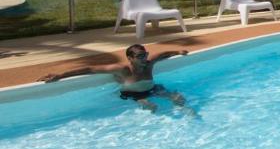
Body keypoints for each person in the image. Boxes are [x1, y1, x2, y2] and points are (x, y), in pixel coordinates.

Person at [40, 44, 190, 113]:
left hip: (152, 89)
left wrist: (178, 51)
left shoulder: (149, 63)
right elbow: (89, 69)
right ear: (130, 58)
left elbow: (164, 54)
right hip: (132, 94)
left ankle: (190, 117)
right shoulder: (122, 70)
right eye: (140, 56)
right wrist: (60, 75)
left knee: (178, 98)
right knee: (152, 107)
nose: (145, 58)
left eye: (145, 54)